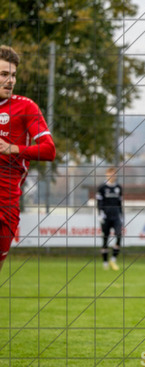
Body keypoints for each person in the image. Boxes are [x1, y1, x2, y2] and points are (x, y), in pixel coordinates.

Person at [0, 46, 56, 272]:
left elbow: (49, 150)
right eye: (4, 74)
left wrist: (13, 149)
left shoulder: (25, 107)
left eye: (13, 75)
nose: (10, 81)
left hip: (6, 205)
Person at [96, 166, 123, 270]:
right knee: (105, 238)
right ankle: (105, 262)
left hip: (116, 217)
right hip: (106, 217)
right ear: (106, 175)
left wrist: (121, 215)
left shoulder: (118, 188)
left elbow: (120, 203)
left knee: (119, 235)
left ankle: (113, 259)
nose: (112, 176)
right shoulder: (102, 187)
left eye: (114, 174)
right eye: (110, 174)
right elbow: (99, 202)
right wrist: (100, 213)